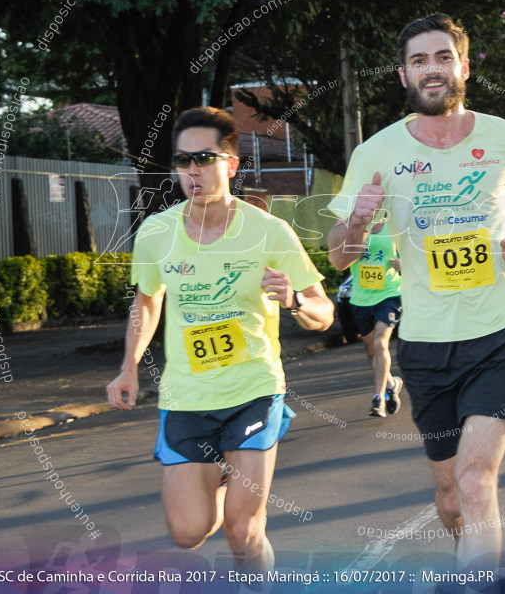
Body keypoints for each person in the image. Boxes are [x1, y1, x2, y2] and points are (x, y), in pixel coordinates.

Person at [327, 13, 505, 567]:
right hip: (425, 344)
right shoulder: (374, 154)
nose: (432, 69)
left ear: (463, 66)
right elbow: (337, 256)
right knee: (450, 500)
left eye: (442, 57)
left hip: (504, 327)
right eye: (419, 60)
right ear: (403, 75)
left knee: (475, 483)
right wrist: (356, 225)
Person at [106, 107, 334, 570]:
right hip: (187, 395)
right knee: (188, 532)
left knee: (242, 529)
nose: (192, 169)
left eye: (204, 157)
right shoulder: (156, 233)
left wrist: (293, 301)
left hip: (254, 389)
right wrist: (129, 365)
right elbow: (147, 301)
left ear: (230, 163)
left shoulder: (269, 231)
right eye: (182, 159)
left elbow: (324, 313)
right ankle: (227, 473)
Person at [344, 216, 404, 417]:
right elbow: (340, 260)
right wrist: (352, 251)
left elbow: (412, 254)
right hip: (361, 298)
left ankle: (378, 398)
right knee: (371, 349)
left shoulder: (394, 227)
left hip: (389, 294)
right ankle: (391, 384)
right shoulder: (354, 228)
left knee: (380, 343)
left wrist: (403, 264)